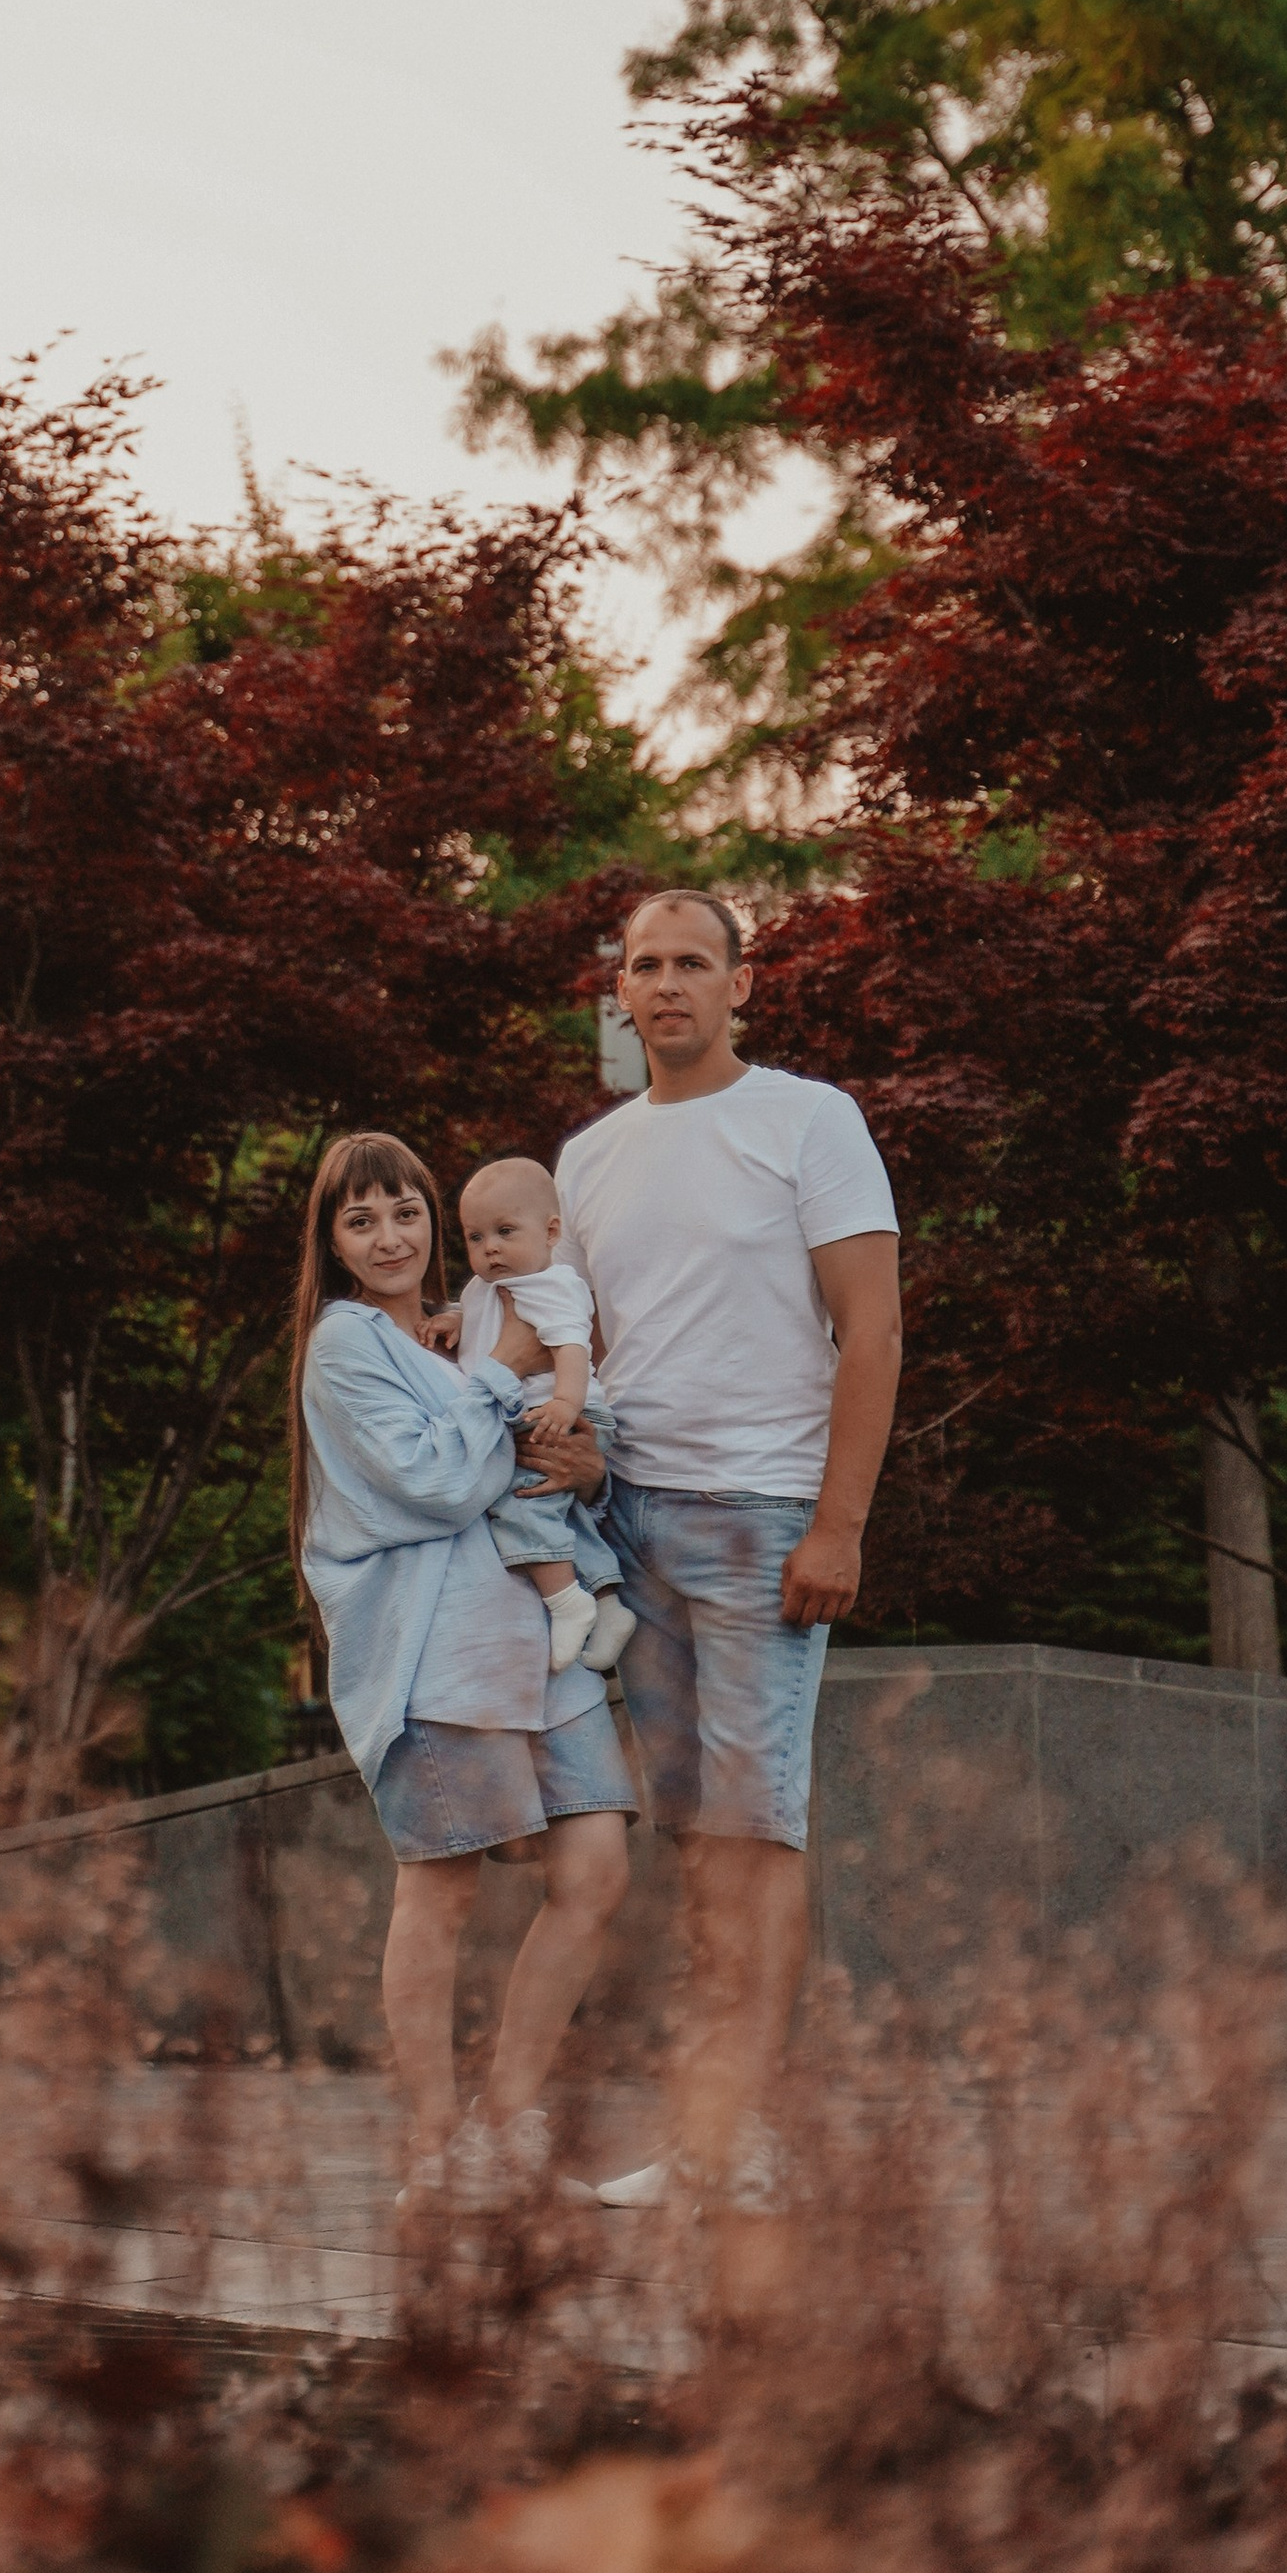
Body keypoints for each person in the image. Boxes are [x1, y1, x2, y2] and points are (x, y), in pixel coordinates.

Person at [544, 890, 901, 2215]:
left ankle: (742, 2140)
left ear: (744, 985)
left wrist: (838, 1524)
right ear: (621, 993)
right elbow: (575, 1354)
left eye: (696, 961)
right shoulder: (588, 1160)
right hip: (628, 1525)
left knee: (756, 1834)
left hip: (762, 1526)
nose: (670, 983)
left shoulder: (809, 1120)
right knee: (702, 1843)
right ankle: (708, 2135)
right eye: (647, 965)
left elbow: (871, 1332)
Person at [290, 1128, 633, 2205]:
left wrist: (579, 1463)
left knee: (595, 1872)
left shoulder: (475, 1316)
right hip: (436, 1650)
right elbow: (433, 1483)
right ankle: (436, 2155)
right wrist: (505, 1375)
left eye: (404, 1211)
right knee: (437, 1894)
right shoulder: (346, 1348)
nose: (389, 1236)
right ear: (334, 1242)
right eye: (361, 1220)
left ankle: (505, 2128)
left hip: (541, 1645)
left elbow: (560, 1459)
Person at [441, 1156, 634, 1676]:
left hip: (560, 1410)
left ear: (551, 1232)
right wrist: (453, 1320)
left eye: (505, 1232)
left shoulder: (551, 1283)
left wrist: (567, 1405)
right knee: (560, 1511)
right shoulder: (484, 1289)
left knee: (520, 1503)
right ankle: (609, 1603)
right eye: (475, 1237)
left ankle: (565, 1601)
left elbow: (572, 1347)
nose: (490, 1249)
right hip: (534, 1410)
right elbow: (481, 1320)